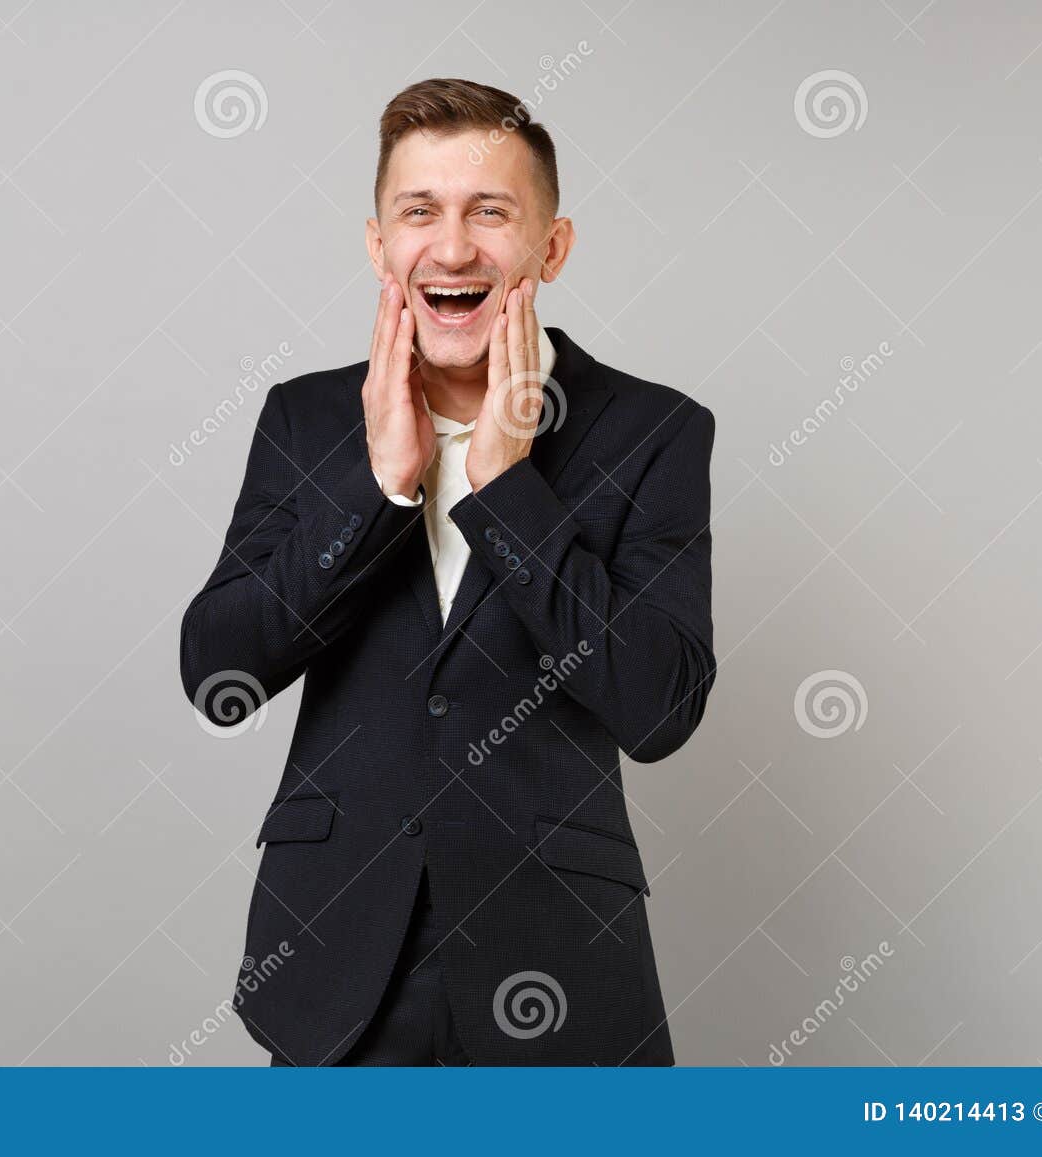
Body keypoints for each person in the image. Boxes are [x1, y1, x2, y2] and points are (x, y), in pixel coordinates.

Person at [180, 77, 717, 1066]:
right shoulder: (306, 419)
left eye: (490, 211)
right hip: (336, 970)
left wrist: (508, 485)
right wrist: (380, 488)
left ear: (550, 246)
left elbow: (659, 708)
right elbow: (219, 672)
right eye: (420, 211)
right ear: (379, 243)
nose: (455, 246)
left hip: (561, 971)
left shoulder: (653, 431)